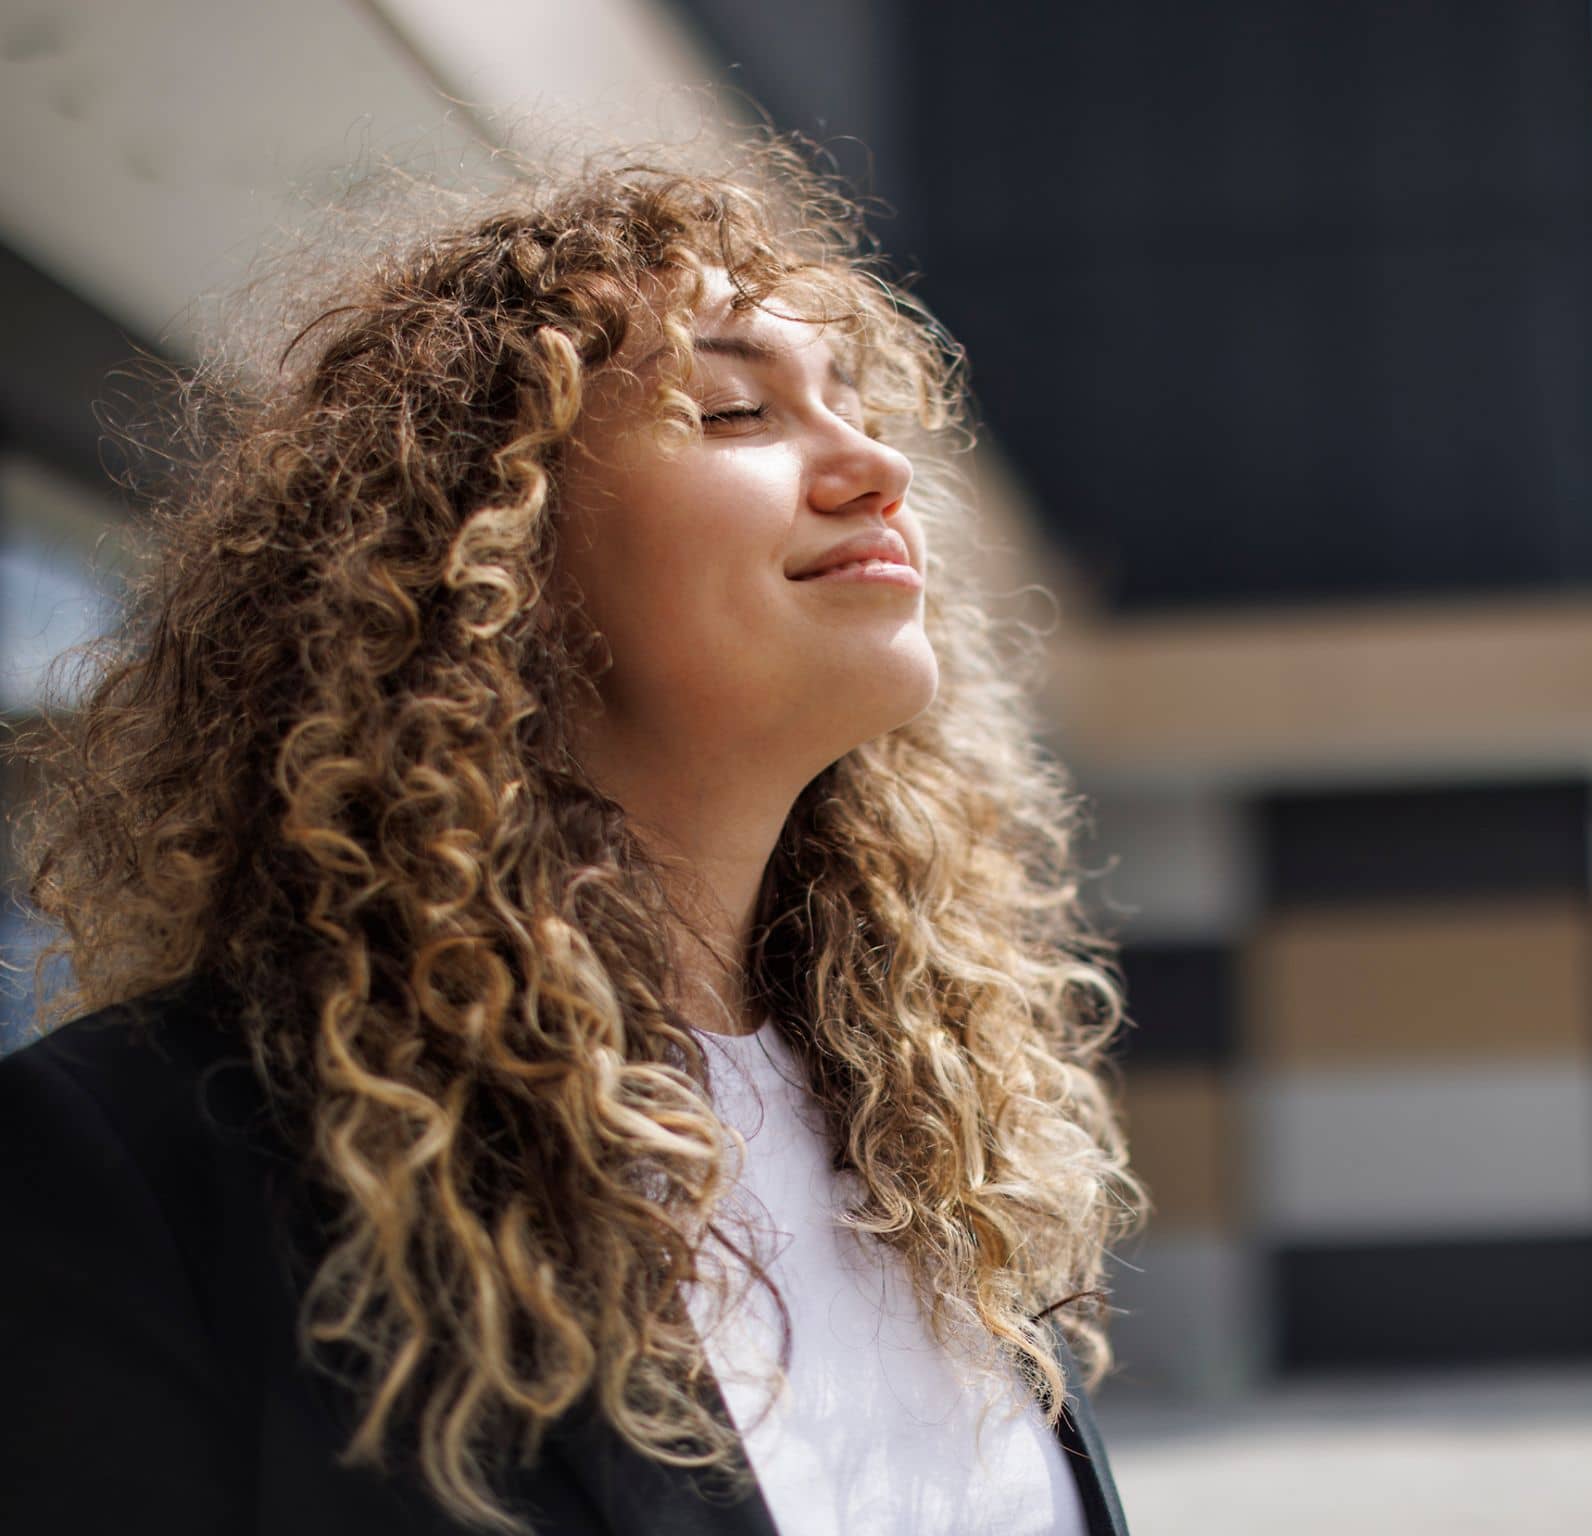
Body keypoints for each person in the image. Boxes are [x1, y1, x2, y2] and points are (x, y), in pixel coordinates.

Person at [0, 131, 1146, 1536]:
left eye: (855, 402)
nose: (871, 467)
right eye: (734, 413)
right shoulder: (149, 1164)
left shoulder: (922, 1137)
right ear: (497, 551)